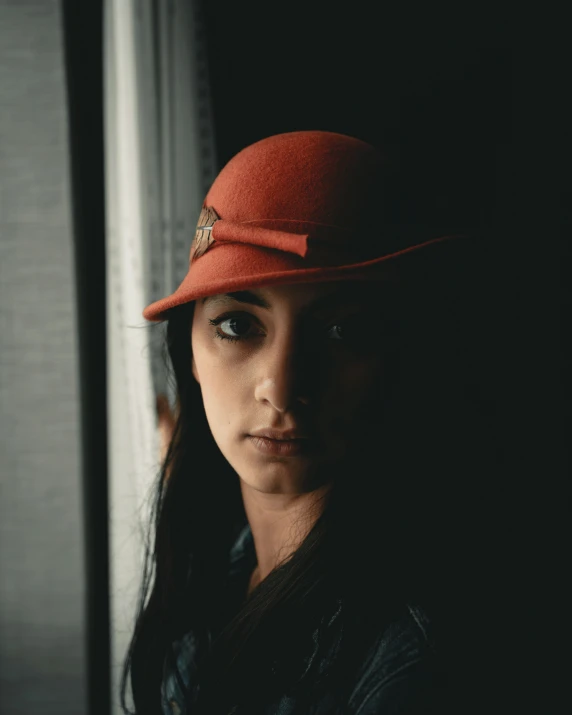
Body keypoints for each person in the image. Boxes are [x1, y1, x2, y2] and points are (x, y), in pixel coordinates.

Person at [122, 130, 497, 715]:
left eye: (342, 331)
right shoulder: (214, 561)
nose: (282, 388)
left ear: (397, 357)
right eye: (239, 326)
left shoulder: (407, 657)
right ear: (189, 352)